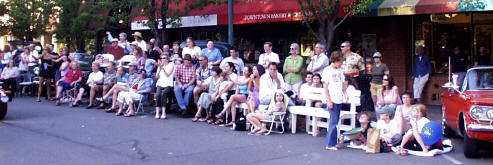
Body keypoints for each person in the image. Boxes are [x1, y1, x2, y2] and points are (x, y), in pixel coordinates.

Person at [322, 51, 345, 151]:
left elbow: (343, 83)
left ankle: (334, 142)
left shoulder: (340, 70)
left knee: (336, 121)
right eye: (339, 62)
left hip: (339, 98)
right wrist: (329, 100)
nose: (341, 64)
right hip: (332, 99)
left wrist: (345, 94)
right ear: (335, 61)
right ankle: (329, 144)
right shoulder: (327, 71)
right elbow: (325, 88)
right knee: (333, 121)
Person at [154, 54, 175, 119]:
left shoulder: (171, 65)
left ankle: (163, 112)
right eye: (162, 58)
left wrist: (163, 68)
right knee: (158, 95)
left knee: (163, 94)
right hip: (160, 83)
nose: (162, 59)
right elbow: (157, 77)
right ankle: (157, 113)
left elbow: (168, 74)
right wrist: (159, 68)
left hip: (168, 84)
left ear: (167, 59)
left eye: (164, 58)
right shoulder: (160, 67)